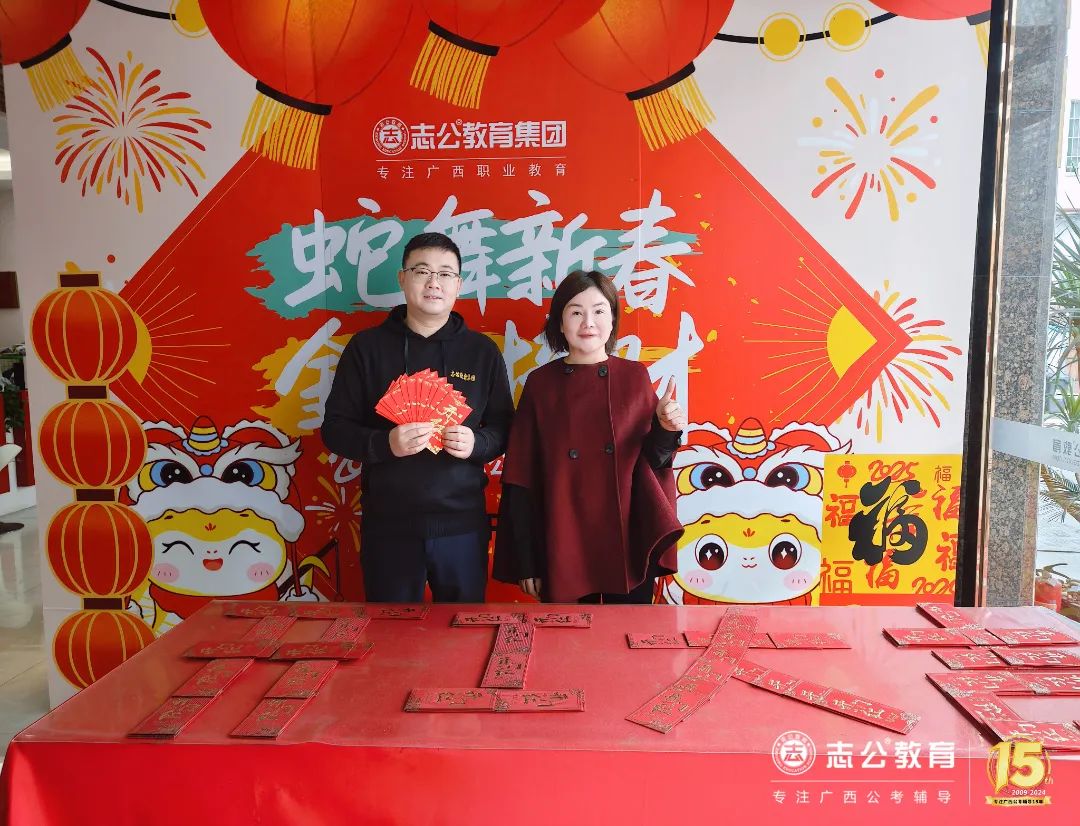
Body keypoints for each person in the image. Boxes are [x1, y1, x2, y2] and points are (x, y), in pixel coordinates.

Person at [321, 232, 513, 602]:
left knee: (462, 628)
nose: (433, 283)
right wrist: (384, 443)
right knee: (389, 630)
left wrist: (478, 443)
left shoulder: (482, 352)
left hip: (462, 525)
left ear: (458, 284)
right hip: (388, 525)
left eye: (445, 274)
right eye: (422, 271)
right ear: (402, 278)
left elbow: (504, 427)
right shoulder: (366, 348)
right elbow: (335, 429)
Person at [493, 270, 686, 604]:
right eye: (576, 312)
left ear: (612, 320)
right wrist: (527, 561)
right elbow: (520, 478)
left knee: (628, 634)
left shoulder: (634, 377)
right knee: (566, 635)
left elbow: (653, 462)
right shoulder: (540, 385)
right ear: (559, 322)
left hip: (625, 542)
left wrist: (666, 429)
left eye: (599, 311)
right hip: (562, 539)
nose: (588, 322)